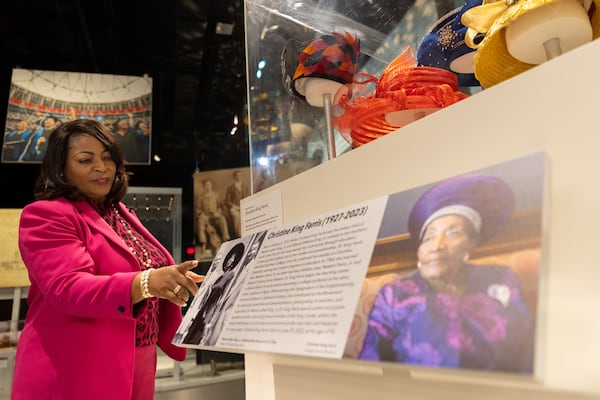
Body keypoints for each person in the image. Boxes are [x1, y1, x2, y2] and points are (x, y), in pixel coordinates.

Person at [12, 119, 204, 400]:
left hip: (137, 357)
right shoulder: (47, 214)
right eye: (84, 159)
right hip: (76, 366)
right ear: (61, 167)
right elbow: (68, 288)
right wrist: (147, 282)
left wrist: (172, 279)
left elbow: (142, 270)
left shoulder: (121, 213)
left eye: (107, 158)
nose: (101, 167)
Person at [358, 174, 535, 373]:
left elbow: (526, 350)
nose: (436, 246)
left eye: (452, 233)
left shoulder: (501, 279)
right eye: (429, 238)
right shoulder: (394, 295)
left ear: (471, 243)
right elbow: (372, 366)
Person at [196, 178, 231, 254]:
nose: (208, 186)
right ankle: (203, 244)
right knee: (200, 221)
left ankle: (226, 240)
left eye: (209, 185)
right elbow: (197, 209)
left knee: (222, 219)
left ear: (211, 186)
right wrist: (201, 214)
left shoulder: (216, 195)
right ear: (204, 186)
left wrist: (218, 212)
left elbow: (221, 207)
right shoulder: (200, 197)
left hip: (215, 216)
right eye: (206, 185)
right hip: (205, 217)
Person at [224, 170, 250, 238]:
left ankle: (247, 234)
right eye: (237, 176)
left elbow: (248, 197)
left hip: (244, 206)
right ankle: (239, 235)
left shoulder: (245, 187)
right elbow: (227, 201)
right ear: (234, 177)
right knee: (237, 217)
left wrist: (244, 205)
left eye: (240, 175)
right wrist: (234, 206)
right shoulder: (231, 188)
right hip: (234, 208)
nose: (239, 177)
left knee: (246, 215)